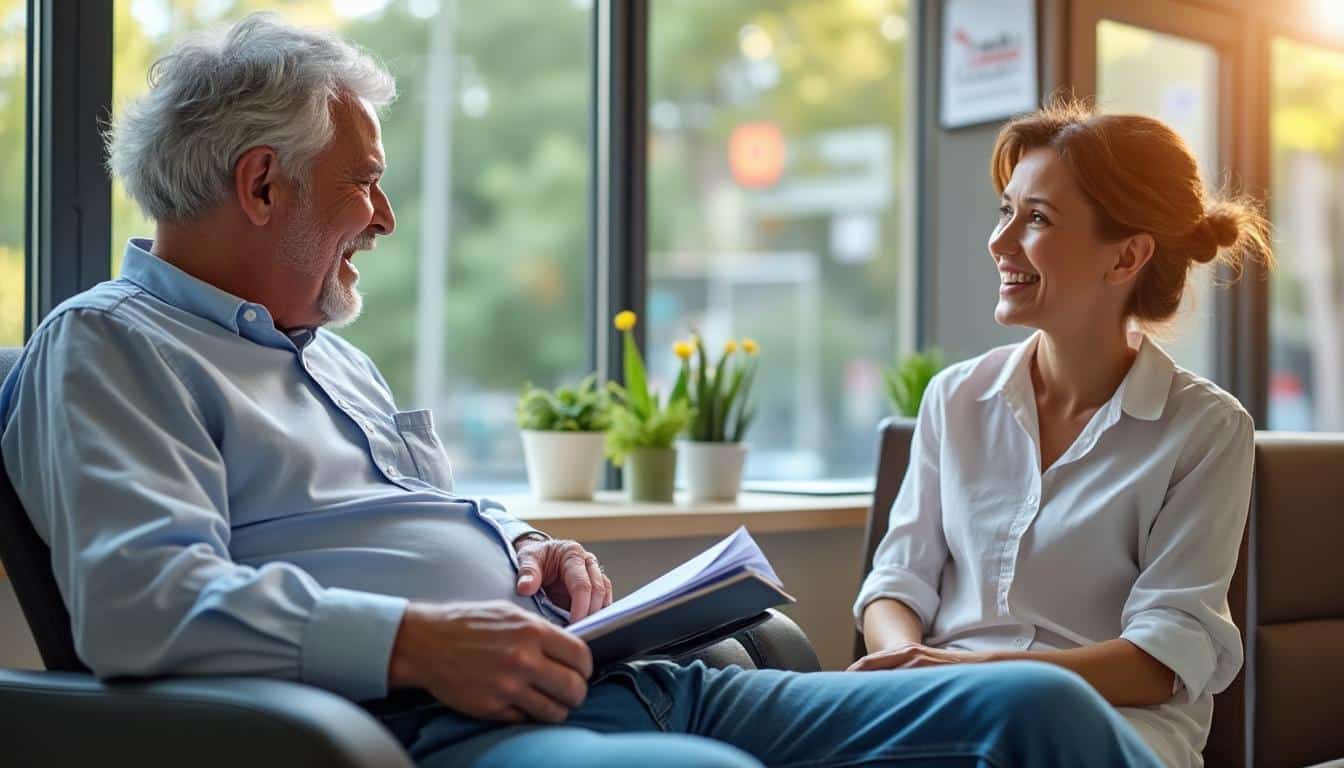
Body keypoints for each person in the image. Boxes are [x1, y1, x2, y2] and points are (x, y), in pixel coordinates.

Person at [0, 16, 1161, 767]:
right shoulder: (110, 347)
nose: (385, 219)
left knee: (1039, 714)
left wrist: (527, 541)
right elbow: (142, 600)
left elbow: (412, 518)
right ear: (261, 186)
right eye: (365, 184)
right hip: (448, 726)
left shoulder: (331, 353)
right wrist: (419, 644)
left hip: (625, 681)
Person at [852, 99, 1273, 768]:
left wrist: (983, 679)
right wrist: (908, 668)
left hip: (1107, 729)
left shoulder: (1206, 430)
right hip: (939, 708)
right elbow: (897, 582)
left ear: (1126, 257)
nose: (1000, 241)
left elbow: (1164, 657)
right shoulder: (954, 399)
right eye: (1005, 210)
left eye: (1038, 218)